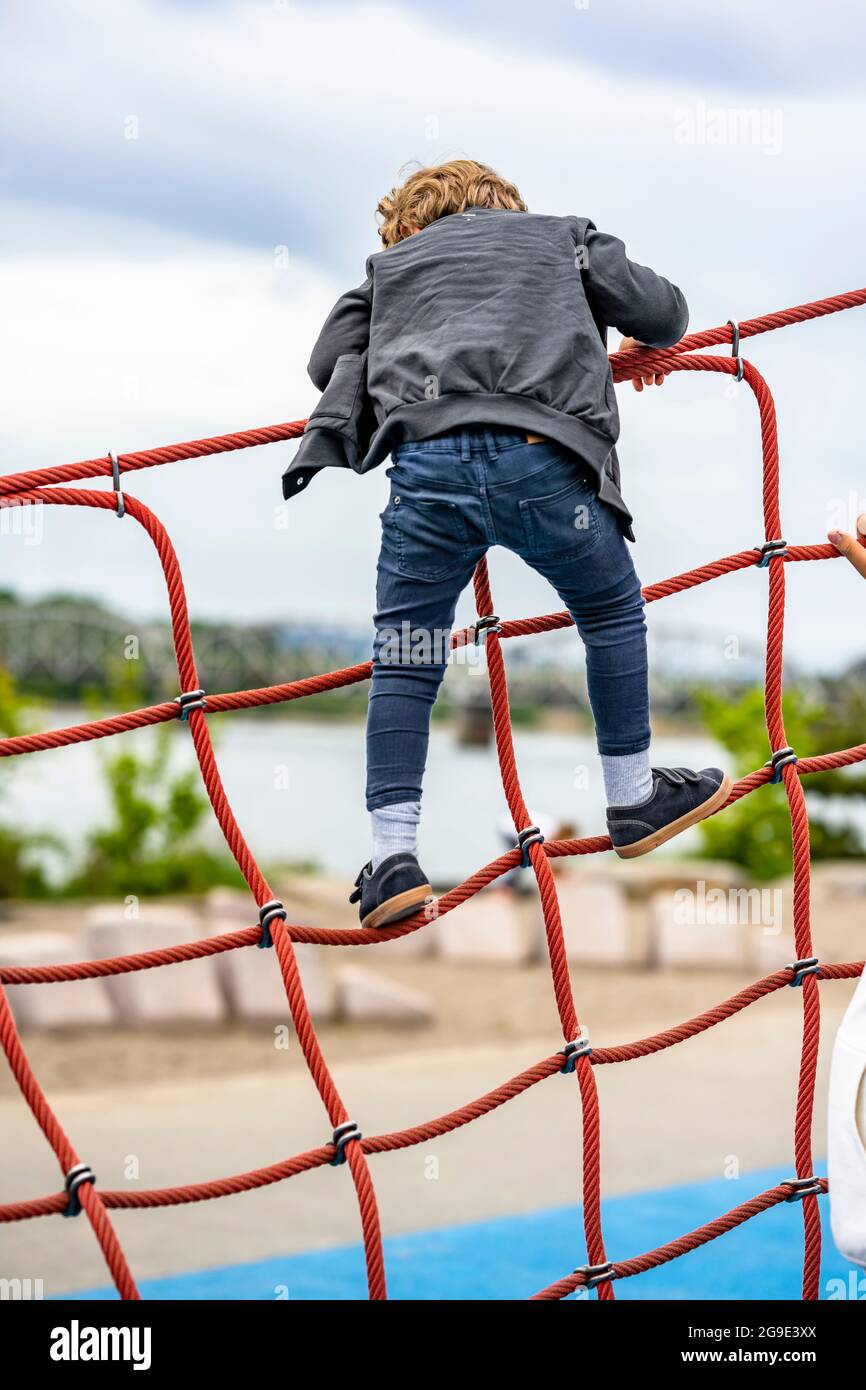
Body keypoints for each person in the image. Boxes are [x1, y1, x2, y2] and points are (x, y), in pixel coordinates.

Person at [295, 160, 729, 929]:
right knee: (610, 610)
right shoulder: (564, 240)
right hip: (543, 459)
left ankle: (394, 857)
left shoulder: (389, 269)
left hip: (426, 470)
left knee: (406, 654)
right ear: (506, 203)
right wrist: (611, 339)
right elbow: (665, 315)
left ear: (407, 227)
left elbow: (327, 364)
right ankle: (631, 796)